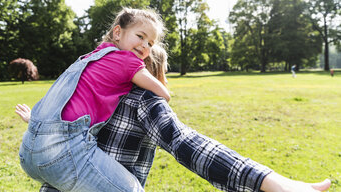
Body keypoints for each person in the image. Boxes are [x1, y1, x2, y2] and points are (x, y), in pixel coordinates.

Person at [16, 45, 331, 192]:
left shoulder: (96, 89)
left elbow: (60, 128)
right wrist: (272, 182)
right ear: (157, 71)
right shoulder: (144, 99)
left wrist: (34, 122)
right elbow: (188, 144)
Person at [18, 8, 171, 192]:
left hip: (28, 152)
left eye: (150, 43)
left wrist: (32, 118)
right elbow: (163, 93)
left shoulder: (90, 57)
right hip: (63, 153)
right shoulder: (128, 61)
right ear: (117, 32)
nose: (145, 46)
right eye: (140, 36)